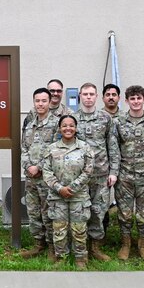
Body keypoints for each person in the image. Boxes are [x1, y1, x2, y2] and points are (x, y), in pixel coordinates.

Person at [73, 83, 119, 262]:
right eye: (85, 94)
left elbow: (112, 146)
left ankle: (96, 248)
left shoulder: (105, 118)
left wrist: (113, 171)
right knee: (79, 212)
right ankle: (80, 247)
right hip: (79, 176)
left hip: (101, 175)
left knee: (98, 212)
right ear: (80, 96)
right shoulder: (72, 118)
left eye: (92, 94)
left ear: (97, 96)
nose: (88, 97)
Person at [42, 115, 94, 269]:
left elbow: (88, 171)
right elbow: (46, 171)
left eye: (71, 125)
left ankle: (80, 258)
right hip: (57, 197)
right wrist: (60, 188)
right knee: (59, 229)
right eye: (64, 125)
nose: (68, 128)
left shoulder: (85, 148)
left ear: (76, 128)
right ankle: (61, 257)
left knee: (79, 229)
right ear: (59, 128)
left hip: (79, 196)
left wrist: (73, 188)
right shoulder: (51, 149)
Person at [112, 85, 144, 261]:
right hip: (125, 175)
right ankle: (126, 244)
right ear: (127, 100)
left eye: (139, 98)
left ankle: (143, 245)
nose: (136, 101)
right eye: (132, 98)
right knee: (124, 212)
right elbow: (115, 149)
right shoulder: (118, 122)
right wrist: (115, 172)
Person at [19, 88, 60, 260]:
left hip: (47, 178)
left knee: (48, 212)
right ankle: (38, 244)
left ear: (50, 102)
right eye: (37, 101)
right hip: (31, 177)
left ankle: (52, 247)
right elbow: (24, 148)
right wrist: (29, 166)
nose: (40, 104)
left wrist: (40, 167)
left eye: (44, 100)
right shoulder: (29, 124)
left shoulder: (57, 123)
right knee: (33, 212)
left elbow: (56, 150)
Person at [101, 83, 121, 233]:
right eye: (108, 95)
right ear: (102, 98)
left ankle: (123, 238)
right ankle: (102, 234)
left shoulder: (126, 118)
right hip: (101, 167)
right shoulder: (97, 117)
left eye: (114, 95)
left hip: (123, 167)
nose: (111, 97)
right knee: (101, 202)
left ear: (119, 98)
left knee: (123, 203)